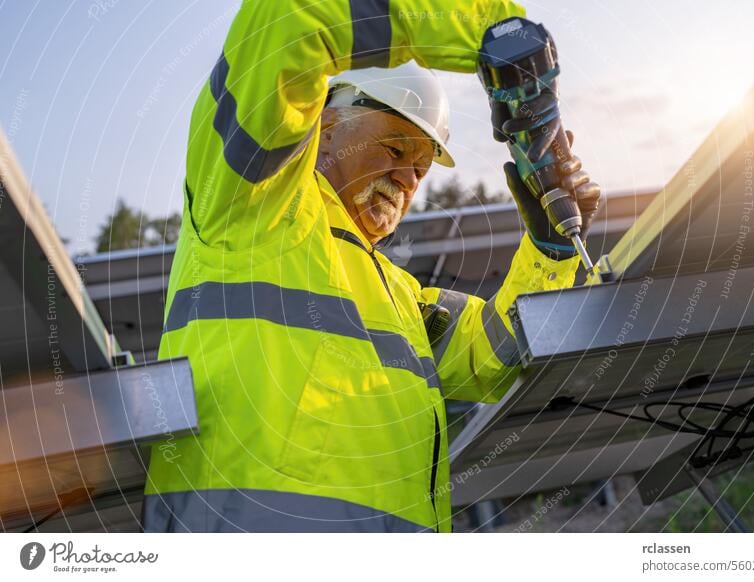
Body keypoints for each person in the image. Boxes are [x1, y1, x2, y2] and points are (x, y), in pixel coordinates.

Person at [142, 0, 601, 533]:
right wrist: (495, 31)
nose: (408, 179)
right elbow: (289, 22)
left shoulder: (401, 299)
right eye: (392, 147)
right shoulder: (251, 206)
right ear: (325, 125)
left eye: (421, 167)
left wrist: (549, 252)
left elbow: (496, 356)